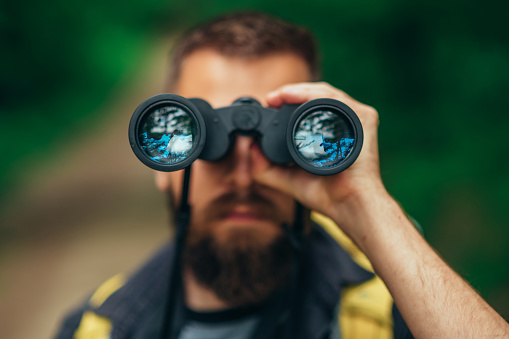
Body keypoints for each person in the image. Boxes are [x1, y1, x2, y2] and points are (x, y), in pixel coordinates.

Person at [56, 12, 509, 339]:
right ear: (165, 170)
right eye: (201, 134)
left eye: (284, 129)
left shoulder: (396, 312)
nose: (244, 175)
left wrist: (366, 204)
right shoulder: (98, 327)